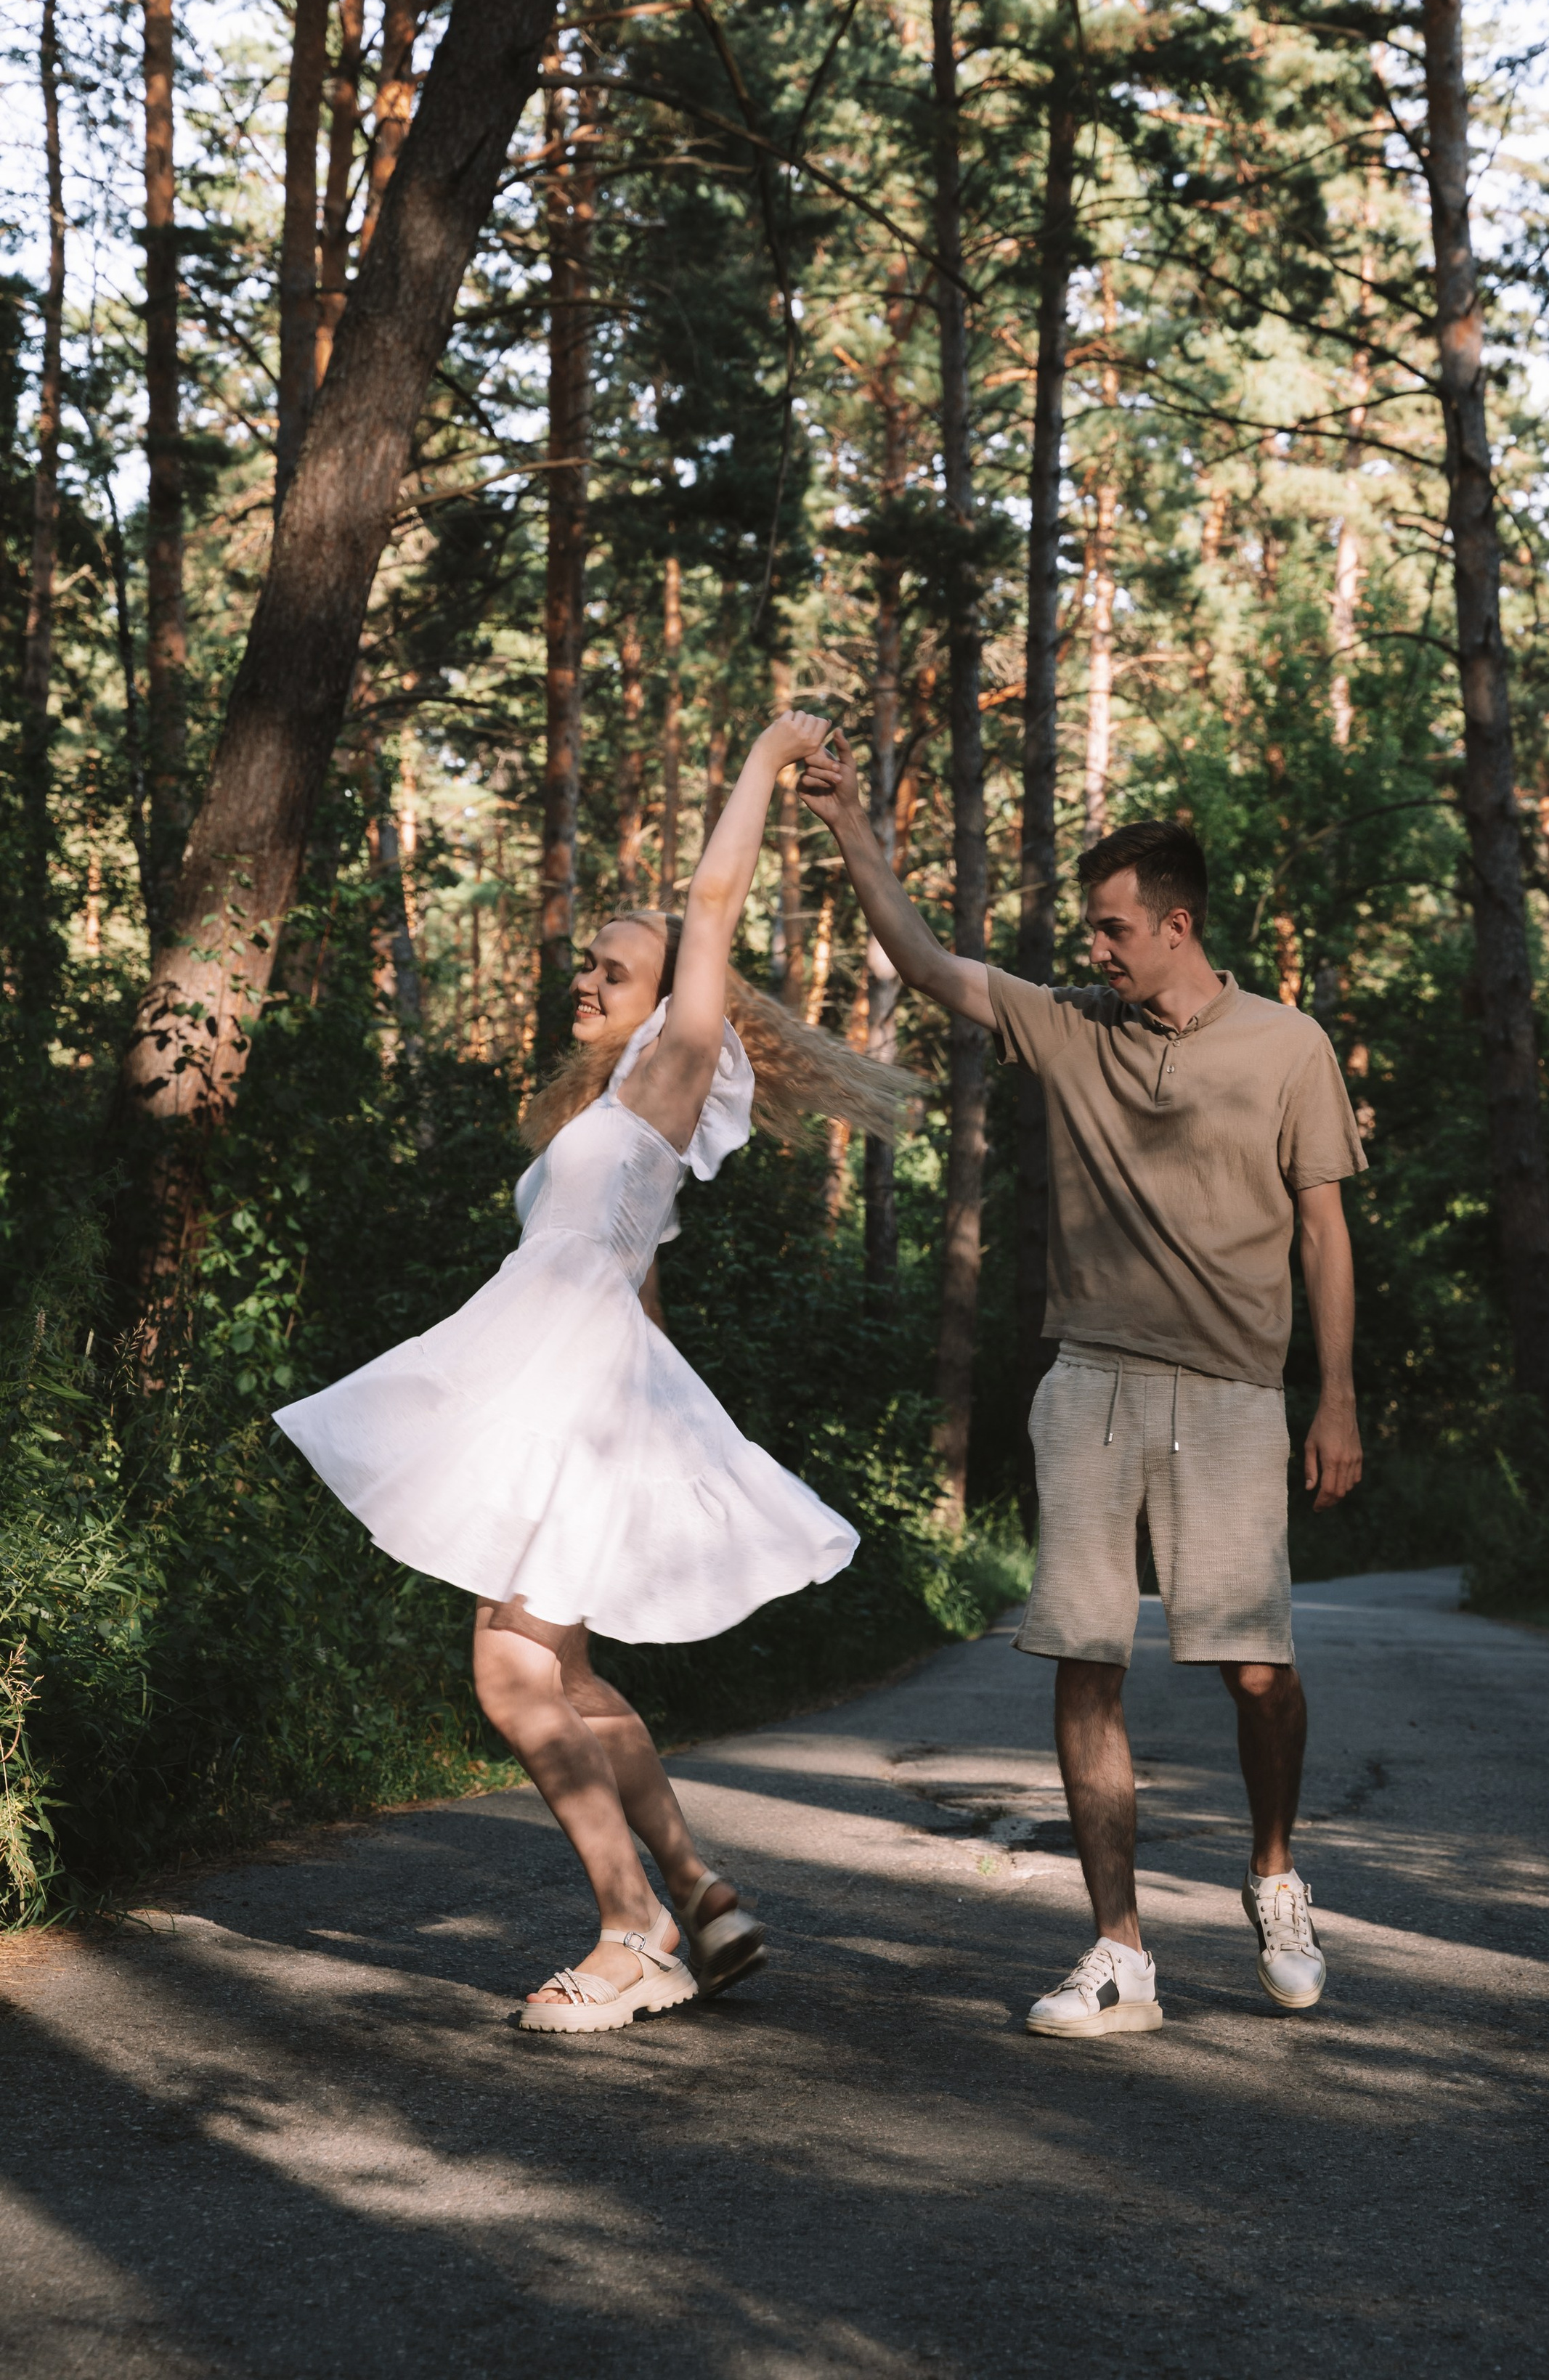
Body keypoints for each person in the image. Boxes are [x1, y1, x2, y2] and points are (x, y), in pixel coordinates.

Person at [277, 710, 918, 2034]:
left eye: (615, 969)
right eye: (588, 965)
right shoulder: (611, 1115)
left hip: (568, 1392)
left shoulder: (675, 1067)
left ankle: (637, 1936)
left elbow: (712, 896)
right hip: (580, 1392)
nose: (588, 979)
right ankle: (698, 1890)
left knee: (510, 1671)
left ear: (676, 994)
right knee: (559, 1674)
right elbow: (634, 1275)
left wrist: (761, 755)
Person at [800, 746, 1366, 2034]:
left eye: (1116, 930)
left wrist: (1334, 1399)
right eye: (1091, 930)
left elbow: (1327, 1232)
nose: (1096, 948)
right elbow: (927, 962)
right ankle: (1120, 1953)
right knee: (1084, 1665)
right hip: (1091, 1383)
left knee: (1254, 1669)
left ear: (1178, 926)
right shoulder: (1071, 1025)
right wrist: (852, 831)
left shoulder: (1290, 1048)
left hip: (1231, 1397)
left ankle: (1274, 1875)